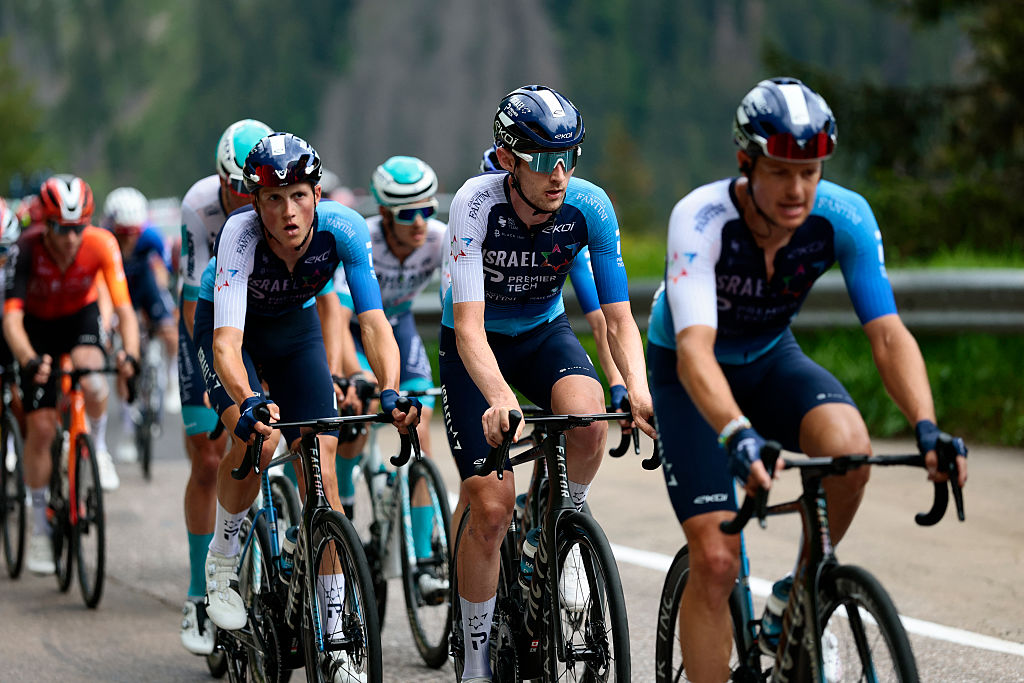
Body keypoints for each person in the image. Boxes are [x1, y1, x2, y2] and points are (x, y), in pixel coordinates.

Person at [646, 77, 969, 681]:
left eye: (811, 171)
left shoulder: (843, 217)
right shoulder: (701, 217)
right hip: (688, 374)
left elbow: (888, 334)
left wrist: (927, 428)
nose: (798, 190)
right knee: (715, 561)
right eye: (780, 171)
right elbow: (694, 351)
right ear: (747, 164)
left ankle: (795, 597)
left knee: (852, 450)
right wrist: (736, 433)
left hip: (770, 356)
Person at [443, 84, 656, 683]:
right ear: (509, 159)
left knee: (587, 421)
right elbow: (468, 329)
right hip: (475, 345)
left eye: (569, 156)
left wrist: (637, 389)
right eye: (541, 159)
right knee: (490, 507)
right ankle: (477, 658)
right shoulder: (475, 204)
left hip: (542, 332)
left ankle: (559, 527)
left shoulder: (590, 205)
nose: (557, 173)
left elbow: (617, 318)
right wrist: (502, 399)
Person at [194, 132, 416, 637]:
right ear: (256, 202)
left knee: (324, 471)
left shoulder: (345, 228)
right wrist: (249, 400)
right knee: (260, 435)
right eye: (274, 198)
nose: (288, 212)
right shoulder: (240, 234)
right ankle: (223, 560)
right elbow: (226, 343)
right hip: (233, 328)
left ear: (318, 195)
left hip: (295, 330)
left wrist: (389, 388)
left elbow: (375, 322)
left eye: (299, 196)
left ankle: (334, 632)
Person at [3, 174, 139, 574]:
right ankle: (41, 527)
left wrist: (130, 353)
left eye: (79, 228)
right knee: (42, 428)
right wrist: (29, 359)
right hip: (36, 327)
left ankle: (96, 447)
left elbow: (124, 308)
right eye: (61, 229)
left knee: (95, 379)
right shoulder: (25, 250)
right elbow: (11, 321)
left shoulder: (101, 243)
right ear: (45, 224)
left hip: (79, 316)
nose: (70, 239)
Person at [175, 118, 272, 655]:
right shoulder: (199, 206)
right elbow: (194, 301)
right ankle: (196, 593)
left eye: (250, 190)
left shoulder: (270, 198)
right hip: (207, 321)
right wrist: (216, 381)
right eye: (234, 190)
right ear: (219, 183)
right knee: (209, 459)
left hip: (261, 319)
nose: (243, 200)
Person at [103, 187, 180, 463]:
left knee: (170, 330)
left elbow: (162, 271)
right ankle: (126, 427)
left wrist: (158, 312)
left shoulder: (150, 236)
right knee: (125, 359)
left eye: (133, 231)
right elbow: (101, 283)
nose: (129, 238)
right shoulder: (105, 237)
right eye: (123, 232)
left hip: (145, 284)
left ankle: (171, 377)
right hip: (117, 290)